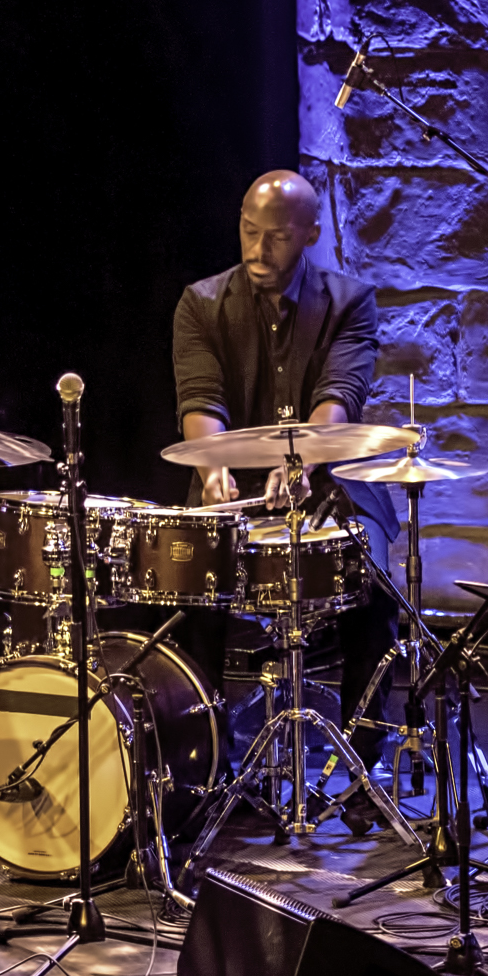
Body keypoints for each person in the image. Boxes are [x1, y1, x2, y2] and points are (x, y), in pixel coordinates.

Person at [172, 169, 403, 799]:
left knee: (377, 588)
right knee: (187, 588)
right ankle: (204, 752)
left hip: (328, 475)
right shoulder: (201, 303)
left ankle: (364, 763)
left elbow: (340, 394)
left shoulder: (350, 301)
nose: (258, 249)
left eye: (275, 237)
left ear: (310, 234)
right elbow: (201, 397)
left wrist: (303, 459)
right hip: (232, 476)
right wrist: (213, 469)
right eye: (249, 231)